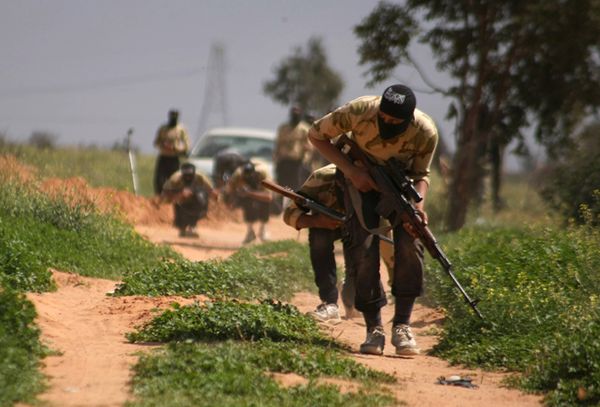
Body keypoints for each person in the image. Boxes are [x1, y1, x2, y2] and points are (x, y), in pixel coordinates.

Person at [308, 84, 438, 356]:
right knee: (362, 249)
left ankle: (402, 324)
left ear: (409, 119)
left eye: (395, 122)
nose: (388, 123)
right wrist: (352, 171)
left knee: (409, 244)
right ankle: (374, 328)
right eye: (384, 118)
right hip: (360, 181)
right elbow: (316, 135)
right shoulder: (359, 110)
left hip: (400, 189)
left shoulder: (425, 132)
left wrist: (418, 209)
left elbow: (421, 175)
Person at [283, 163, 395, 323]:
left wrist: (395, 282)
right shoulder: (321, 179)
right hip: (326, 225)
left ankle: (352, 297)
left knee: (358, 269)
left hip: (360, 227)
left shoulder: (376, 180)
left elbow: (386, 238)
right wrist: (317, 220)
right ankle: (329, 303)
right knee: (319, 238)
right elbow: (290, 213)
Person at [161, 162, 216, 238]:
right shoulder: (175, 179)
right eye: (186, 175)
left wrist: (214, 198)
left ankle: (192, 226)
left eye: (190, 175)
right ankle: (182, 227)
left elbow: (211, 190)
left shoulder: (200, 177)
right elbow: (166, 192)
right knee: (179, 206)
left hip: (196, 197)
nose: (188, 177)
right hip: (180, 199)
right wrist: (180, 195)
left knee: (201, 199)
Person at [225, 160, 274, 244]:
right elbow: (230, 190)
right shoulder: (238, 174)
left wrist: (249, 193)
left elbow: (269, 197)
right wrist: (231, 200)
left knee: (265, 203)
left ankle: (263, 230)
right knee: (246, 202)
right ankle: (250, 231)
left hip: (260, 190)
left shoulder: (264, 173)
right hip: (246, 193)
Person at [273, 106, 313, 190]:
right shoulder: (283, 128)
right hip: (284, 161)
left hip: (297, 163)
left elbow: (309, 147)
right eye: (294, 114)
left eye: (297, 115)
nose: (295, 116)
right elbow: (278, 144)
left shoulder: (304, 129)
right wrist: (276, 159)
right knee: (281, 186)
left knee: (295, 186)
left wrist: (305, 161)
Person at [153, 109, 191, 195]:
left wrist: (176, 148)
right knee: (159, 180)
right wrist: (164, 145)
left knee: (175, 179)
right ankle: (159, 196)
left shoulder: (181, 129)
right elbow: (156, 142)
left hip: (174, 158)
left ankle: (174, 198)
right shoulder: (163, 129)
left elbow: (187, 145)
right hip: (163, 157)